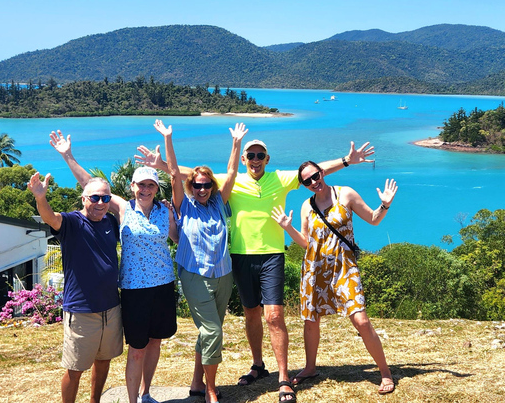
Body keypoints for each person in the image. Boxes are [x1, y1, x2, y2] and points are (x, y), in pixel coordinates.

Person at [137, 136, 374, 403]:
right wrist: (162, 164)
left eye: (260, 155)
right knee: (250, 314)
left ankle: (283, 378)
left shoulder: (280, 178)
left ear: (267, 159)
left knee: (273, 316)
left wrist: (346, 161)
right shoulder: (232, 180)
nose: (256, 160)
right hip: (239, 256)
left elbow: (314, 173)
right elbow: (190, 175)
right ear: (243, 160)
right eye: (251, 156)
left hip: (272, 255)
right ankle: (258, 366)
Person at [50, 131, 178, 403]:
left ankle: (146, 393)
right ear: (132, 186)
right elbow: (91, 187)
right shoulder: (122, 208)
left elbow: (178, 233)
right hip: (134, 288)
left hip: (164, 284)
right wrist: (68, 156)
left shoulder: (164, 211)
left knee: (156, 341)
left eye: (151, 185)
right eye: (140, 185)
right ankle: (133, 400)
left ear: (157, 188)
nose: (145, 189)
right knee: (137, 348)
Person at [271, 161, 397, 395]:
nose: (313, 182)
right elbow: (307, 243)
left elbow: (373, 218)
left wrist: (384, 205)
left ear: (322, 172)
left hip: (344, 267)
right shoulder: (307, 206)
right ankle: (310, 368)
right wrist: (288, 228)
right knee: (311, 321)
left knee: (361, 321)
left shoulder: (345, 193)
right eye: (307, 181)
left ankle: (385, 373)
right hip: (315, 268)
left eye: (315, 176)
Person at [154, 119, 247, 403]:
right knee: (213, 331)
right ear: (191, 186)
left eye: (206, 185)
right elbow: (172, 173)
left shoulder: (219, 202)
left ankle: (196, 382)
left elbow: (232, 171)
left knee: (209, 332)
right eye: (197, 185)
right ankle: (210, 389)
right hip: (194, 274)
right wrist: (169, 138)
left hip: (223, 275)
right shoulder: (185, 206)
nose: (202, 189)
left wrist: (236, 143)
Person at [28, 172, 122, 403]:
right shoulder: (72, 222)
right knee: (75, 368)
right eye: (95, 198)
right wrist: (40, 197)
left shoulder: (110, 222)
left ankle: (95, 401)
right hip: (81, 310)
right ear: (83, 198)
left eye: (105, 198)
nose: (100, 203)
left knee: (104, 360)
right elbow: (50, 218)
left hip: (110, 307)